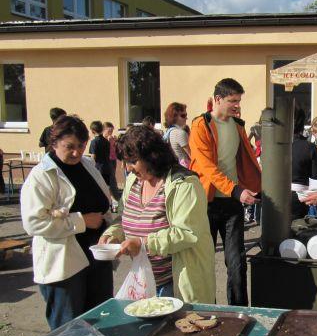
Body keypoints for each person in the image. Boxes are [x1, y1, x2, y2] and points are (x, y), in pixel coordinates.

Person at [99, 126, 216, 303]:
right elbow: (123, 218)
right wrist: (113, 234)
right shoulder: (133, 181)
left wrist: (143, 244)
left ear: (151, 156)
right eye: (125, 161)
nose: (127, 168)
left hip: (176, 284)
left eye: (132, 161)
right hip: (144, 281)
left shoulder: (184, 184)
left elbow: (186, 233)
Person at [21, 115, 113, 330]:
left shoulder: (87, 164)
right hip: (64, 265)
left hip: (96, 257)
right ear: (54, 144)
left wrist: (109, 226)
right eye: (69, 147)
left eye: (81, 146)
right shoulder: (41, 176)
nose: (76, 152)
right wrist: (81, 221)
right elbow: (34, 223)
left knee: (102, 323)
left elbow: (104, 202)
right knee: (69, 330)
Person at [189, 78, 261, 306]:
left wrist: (259, 187)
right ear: (217, 99)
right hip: (206, 202)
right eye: (233, 101)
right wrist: (236, 190)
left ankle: (240, 312)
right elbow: (207, 168)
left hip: (232, 203)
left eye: (239, 101)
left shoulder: (238, 126)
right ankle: (205, 309)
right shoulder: (200, 125)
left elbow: (247, 162)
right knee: (204, 262)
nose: (237, 105)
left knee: (237, 262)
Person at [291, 108, 317, 220]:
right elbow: (316, 174)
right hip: (300, 194)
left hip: (275, 193)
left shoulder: (273, 146)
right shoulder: (309, 147)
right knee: (296, 229)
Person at [163, 102, 191, 168]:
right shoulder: (180, 133)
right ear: (174, 117)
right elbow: (192, 155)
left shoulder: (169, 132)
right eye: (183, 116)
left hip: (174, 168)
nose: (186, 118)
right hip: (185, 169)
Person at [89, 121, 113, 186]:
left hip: (98, 169)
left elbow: (93, 157)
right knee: (106, 187)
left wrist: (91, 167)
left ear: (92, 131)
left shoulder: (94, 142)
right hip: (107, 168)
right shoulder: (107, 141)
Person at [103, 121, 119, 199]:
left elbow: (115, 149)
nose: (110, 133)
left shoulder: (112, 138)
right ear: (104, 130)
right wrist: (108, 141)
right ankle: (114, 196)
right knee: (110, 178)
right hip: (107, 160)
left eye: (112, 131)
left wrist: (116, 142)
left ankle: (113, 195)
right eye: (109, 131)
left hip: (113, 159)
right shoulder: (103, 140)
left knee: (112, 176)